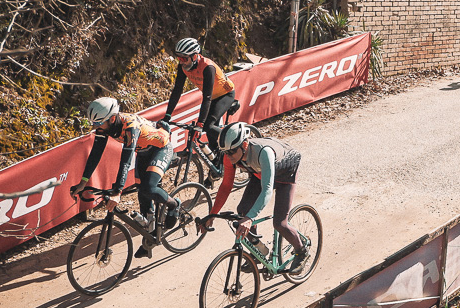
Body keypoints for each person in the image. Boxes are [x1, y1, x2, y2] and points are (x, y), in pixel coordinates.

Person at [70, 97, 179, 259]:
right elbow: (95, 154)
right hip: (143, 152)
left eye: (98, 123)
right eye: (94, 124)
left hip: (161, 148)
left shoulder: (130, 127)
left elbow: (126, 161)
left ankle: (173, 205)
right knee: (142, 195)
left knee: (149, 187)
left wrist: (118, 192)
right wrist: (83, 182)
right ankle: (149, 238)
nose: (95, 127)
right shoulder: (105, 126)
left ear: (112, 118)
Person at [202, 123, 309, 271]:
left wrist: (251, 218)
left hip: (286, 171)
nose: (228, 156)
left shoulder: (264, 153)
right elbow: (226, 186)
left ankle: (302, 251)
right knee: (243, 211)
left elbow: (267, 190)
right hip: (260, 172)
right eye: (225, 152)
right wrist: (212, 214)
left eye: (231, 152)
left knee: (280, 223)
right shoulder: (231, 156)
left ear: (244, 144)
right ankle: (258, 251)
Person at [160, 37, 236, 179]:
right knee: (211, 137)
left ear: (195, 56)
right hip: (212, 97)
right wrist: (167, 116)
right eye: (179, 58)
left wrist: (200, 124)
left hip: (225, 95)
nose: (181, 62)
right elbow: (177, 91)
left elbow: (206, 97)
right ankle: (217, 166)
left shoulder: (208, 67)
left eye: (184, 58)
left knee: (207, 126)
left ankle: (234, 140)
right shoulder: (183, 67)